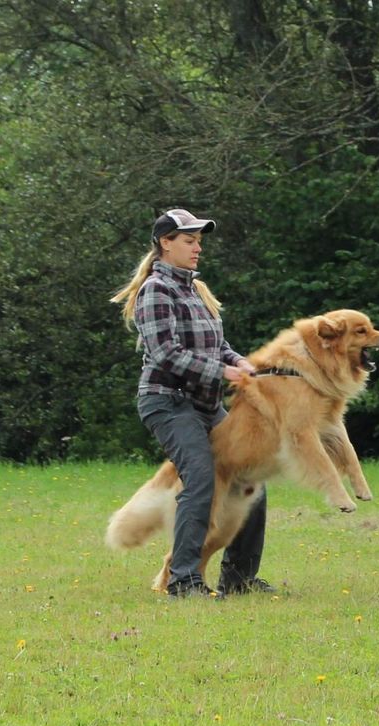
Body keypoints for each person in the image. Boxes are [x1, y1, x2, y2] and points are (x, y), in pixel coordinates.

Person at [110, 208, 275, 599]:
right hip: (168, 401)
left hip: (205, 404)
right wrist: (222, 371)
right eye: (189, 240)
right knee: (201, 477)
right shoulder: (156, 289)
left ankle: (239, 579)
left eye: (199, 240)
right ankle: (184, 581)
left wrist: (240, 363)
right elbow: (165, 353)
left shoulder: (195, 288)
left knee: (250, 478)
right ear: (165, 243)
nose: (197, 247)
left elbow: (219, 345)